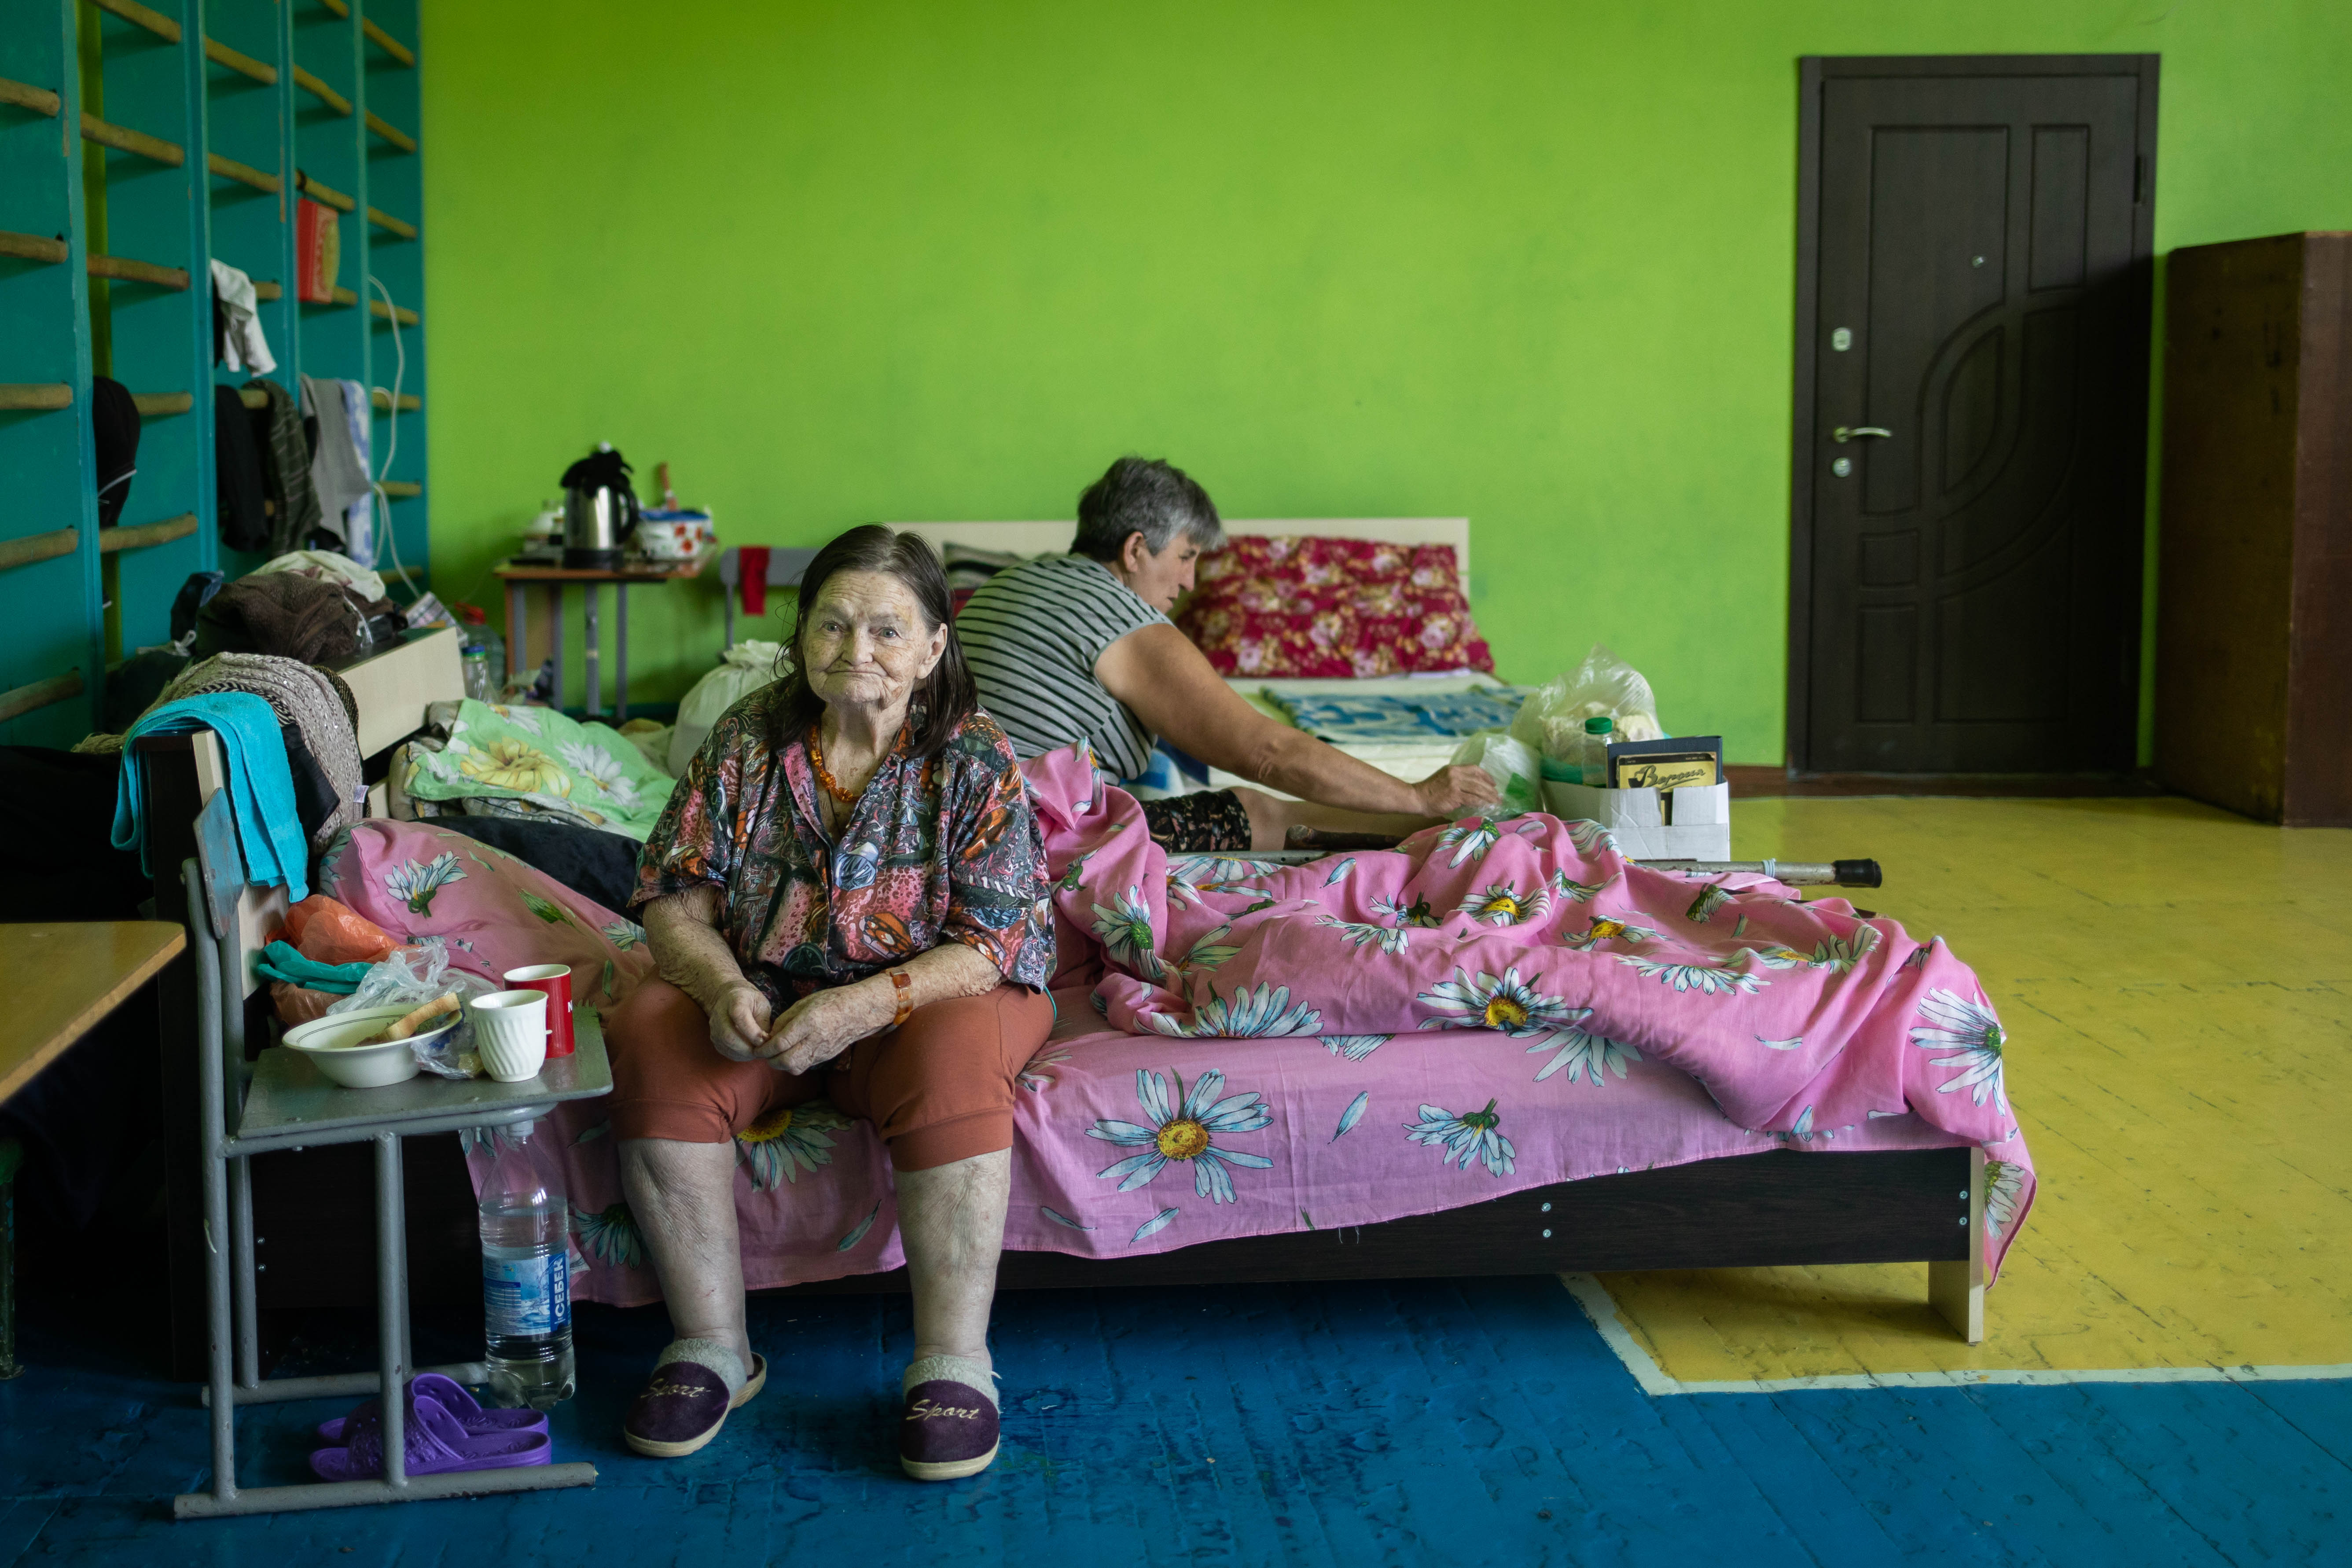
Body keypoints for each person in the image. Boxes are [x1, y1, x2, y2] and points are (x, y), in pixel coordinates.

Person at [604, 525, 1054, 1482]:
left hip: (926, 995)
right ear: (800, 636)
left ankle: (954, 1363)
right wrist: (722, 981)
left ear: (933, 648)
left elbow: (994, 941)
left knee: (956, 1044)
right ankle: (713, 1344)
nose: (857, 651)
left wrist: (865, 1003)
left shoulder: (974, 757)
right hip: (768, 994)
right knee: (649, 1020)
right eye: (834, 624)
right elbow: (673, 896)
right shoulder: (745, 739)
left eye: (888, 630)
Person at [956, 456, 1499, 852]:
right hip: (1014, 836)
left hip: (944, 814)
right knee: (1256, 811)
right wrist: (1417, 796)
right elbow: (1265, 752)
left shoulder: (1006, 584)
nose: (1190, 581)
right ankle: (1463, 837)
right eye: (1186, 556)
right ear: (1135, 549)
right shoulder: (1122, 619)